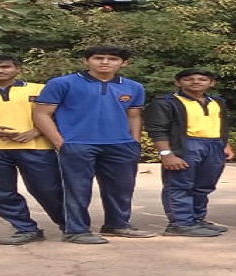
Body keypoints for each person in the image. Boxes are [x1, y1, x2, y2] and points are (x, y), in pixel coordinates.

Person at [31, 45, 155, 244]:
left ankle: (118, 224)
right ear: (86, 61)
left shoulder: (133, 87)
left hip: (121, 145)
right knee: (77, 189)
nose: (105, 62)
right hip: (77, 143)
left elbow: (134, 116)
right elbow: (42, 114)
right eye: (99, 58)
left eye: (112, 59)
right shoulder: (62, 83)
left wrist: (135, 142)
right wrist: (59, 142)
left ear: (124, 63)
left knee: (121, 188)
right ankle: (76, 230)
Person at [143, 68, 235, 237]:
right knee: (180, 185)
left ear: (211, 83)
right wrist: (166, 154)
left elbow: (222, 125)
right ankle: (180, 223)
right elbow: (157, 130)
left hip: (213, 145)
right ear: (178, 83)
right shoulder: (166, 102)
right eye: (189, 79)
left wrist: (225, 144)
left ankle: (197, 219)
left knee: (204, 186)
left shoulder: (217, 102)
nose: (195, 82)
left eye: (202, 79)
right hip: (186, 145)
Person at [0, 53, 63, 245]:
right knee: (1, 192)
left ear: (17, 69)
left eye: (5, 66)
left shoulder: (40, 89)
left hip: (37, 147)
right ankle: (25, 228)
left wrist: (37, 131)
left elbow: (62, 114)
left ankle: (71, 225)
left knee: (48, 189)